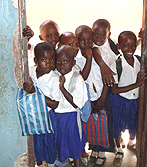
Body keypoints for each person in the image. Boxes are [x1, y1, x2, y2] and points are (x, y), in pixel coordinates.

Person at [75, 25, 115, 166]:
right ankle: (93, 151)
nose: (86, 43)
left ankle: (102, 154)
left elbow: (107, 79)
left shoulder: (101, 55)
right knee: (91, 126)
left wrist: (103, 98)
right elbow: (80, 81)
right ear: (77, 41)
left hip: (102, 96)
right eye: (82, 40)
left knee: (104, 125)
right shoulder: (76, 59)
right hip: (87, 99)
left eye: (89, 40)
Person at [110, 31, 146, 166]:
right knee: (117, 125)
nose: (130, 49)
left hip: (134, 100)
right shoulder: (117, 64)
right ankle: (119, 149)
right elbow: (114, 90)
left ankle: (131, 142)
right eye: (126, 46)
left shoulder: (140, 60)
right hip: (120, 100)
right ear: (119, 46)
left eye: (133, 45)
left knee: (134, 122)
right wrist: (136, 84)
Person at [23, 42, 59, 167]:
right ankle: (38, 163)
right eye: (43, 60)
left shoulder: (54, 79)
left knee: (50, 142)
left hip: (48, 116)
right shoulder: (30, 72)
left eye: (51, 59)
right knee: (36, 143)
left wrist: (36, 93)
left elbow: (55, 104)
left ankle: (51, 164)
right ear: (35, 60)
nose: (48, 63)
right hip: (34, 116)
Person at [58, 31, 92, 160]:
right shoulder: (58, 65)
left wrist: (89, 58)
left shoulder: (74, 65)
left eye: (76, 44)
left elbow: (81, 78)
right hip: (60, 111)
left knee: (76, 135)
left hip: (74, 109)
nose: (75, 47)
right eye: (71, 44)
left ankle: (78, 154)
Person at [53, 45, 88, 167]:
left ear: (73, 62)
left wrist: (62, 88)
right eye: (58, 61)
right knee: (60, 142)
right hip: (57, 117)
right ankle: (63, 161)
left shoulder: (77, 78)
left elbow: (76, 103)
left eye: (66, 61)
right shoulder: (54, 75)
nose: (62, 64)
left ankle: (77, 164)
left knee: (75, 145)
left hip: (71, 117)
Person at [92, 19, 119, 87]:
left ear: (108, 35)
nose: (98, 38)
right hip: (99, 86)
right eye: (96, 34)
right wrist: (103, 66)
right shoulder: (91, 45)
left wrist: (140, 39)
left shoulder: (112, 43)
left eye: (103, 35)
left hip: (114, 82)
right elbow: (95, 50)